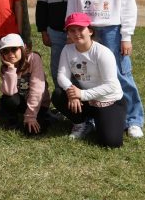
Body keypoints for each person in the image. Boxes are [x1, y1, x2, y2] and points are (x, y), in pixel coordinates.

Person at [66, 0, 143, 138]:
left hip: (111, 29)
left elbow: (128, 4)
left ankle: (133, 119)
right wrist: (72, 29)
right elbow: (73, 1)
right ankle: (89, 118)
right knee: (86, 73)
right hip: (85, 28)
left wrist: (126, 36)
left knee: (120, 73)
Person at [52, 13, 126, 148]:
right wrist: (71, 91)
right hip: (87, 100)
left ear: (90, 31)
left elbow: (111, 86)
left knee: (111, 143)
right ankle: (81, 123)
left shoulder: (102, 53)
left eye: (81, 29)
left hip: (108, 101)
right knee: (58, 95)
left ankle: (105, 120)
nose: (76, 33)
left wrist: (81, 94)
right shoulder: (67, 50)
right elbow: (61, 76)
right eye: (72, 30)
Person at [0, 34, 50, 135]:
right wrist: (11, 69)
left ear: (23, 48)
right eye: (5, 51)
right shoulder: (5, 68)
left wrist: (31, 116)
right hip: (21, 102)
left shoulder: (34, 58)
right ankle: (13, 120)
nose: (10, 54)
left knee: (32, 133)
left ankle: (46, 116)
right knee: (8, 98)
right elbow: (9, 92)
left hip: (38, 103)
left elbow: (37, 89)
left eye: (14, 49)